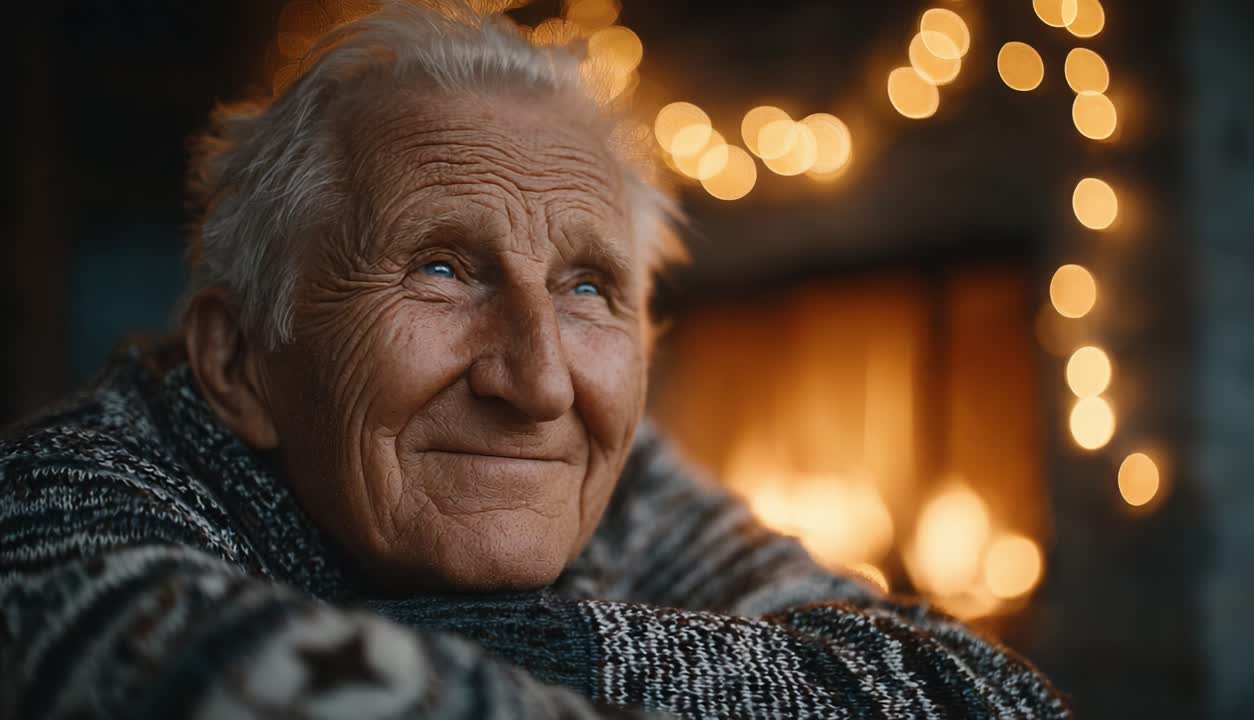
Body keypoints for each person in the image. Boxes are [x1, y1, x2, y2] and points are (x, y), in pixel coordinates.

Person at [0, 2, 1069, 717]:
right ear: (237, 363)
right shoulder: (64, 495)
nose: (540, 382)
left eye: (588, 288)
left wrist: (532, 642)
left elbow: (982, 695)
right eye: (441, 271)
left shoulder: (618, 471)